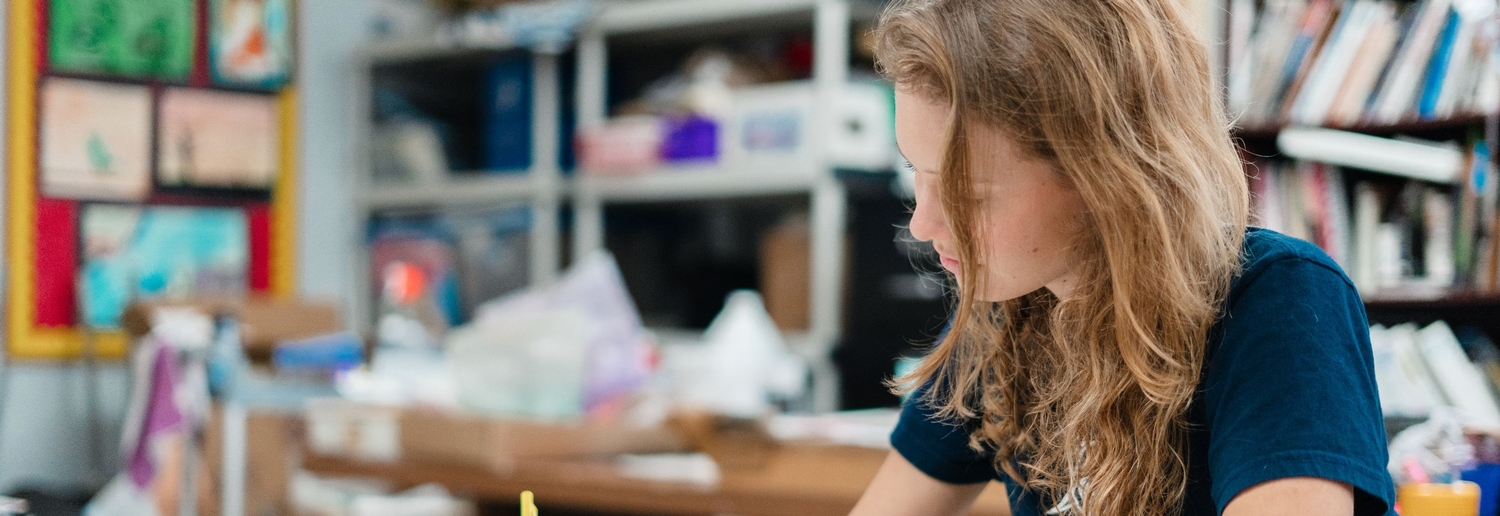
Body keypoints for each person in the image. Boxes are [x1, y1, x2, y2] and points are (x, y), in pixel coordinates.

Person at [848, 1, 1395, 515]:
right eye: (916, 172)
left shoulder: (1278, 299)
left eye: (970, 192)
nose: (923, 225)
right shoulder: (1007, 313)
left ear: (1105, 175)